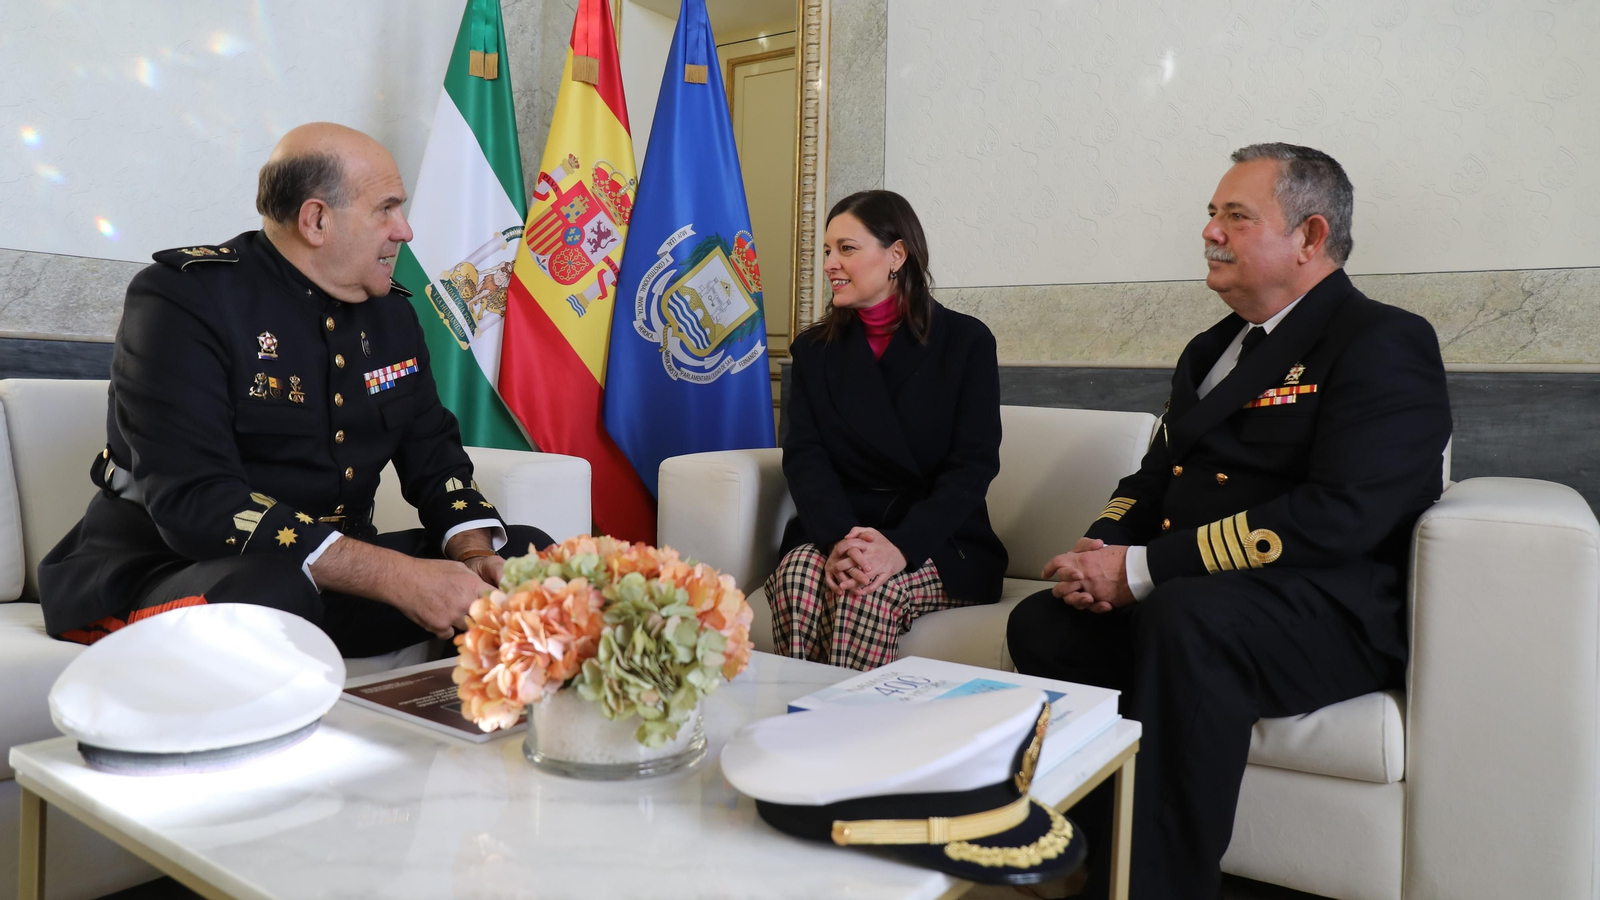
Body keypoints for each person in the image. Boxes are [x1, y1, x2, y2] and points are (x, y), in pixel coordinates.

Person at [1005, 144, 1452, 900]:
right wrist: (1104, 548)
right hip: (1207, 595)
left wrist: (1144, 571)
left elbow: (1342, 515)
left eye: (1235, 217)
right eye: (1212, 214)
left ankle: (1159, 884)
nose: (1210, 231)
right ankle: (1092, 852)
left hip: (1330, 608)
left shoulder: (1381, 340)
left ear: (1310, 237)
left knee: (1187, 620)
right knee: (1047, 625)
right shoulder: (1212, 349)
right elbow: (1153, 477)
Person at [38, 122, 552, 658]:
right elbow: (197, 502)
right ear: (317, 220)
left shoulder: (392, 314)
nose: (405, 230)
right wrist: (397, 577)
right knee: (273, 592)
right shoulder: (184, 299)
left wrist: (471, 555)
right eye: (386, 209)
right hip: (164, 571)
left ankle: (469, 730)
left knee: (524, 558)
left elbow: (434, 456)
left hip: (330, 580)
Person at [764, 189, 1007, 671]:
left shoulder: (966, 342)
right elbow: (805, 457)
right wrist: (839, 541)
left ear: (896, 254)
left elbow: (972, 466)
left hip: (937, 538)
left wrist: (900, 548)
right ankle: (794, 731)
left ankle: (857, 740)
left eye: (847, 249)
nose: (831, 263)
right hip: (840, 530)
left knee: (865, 591)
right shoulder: (815, 350)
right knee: (796, 575)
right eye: (828, 250)